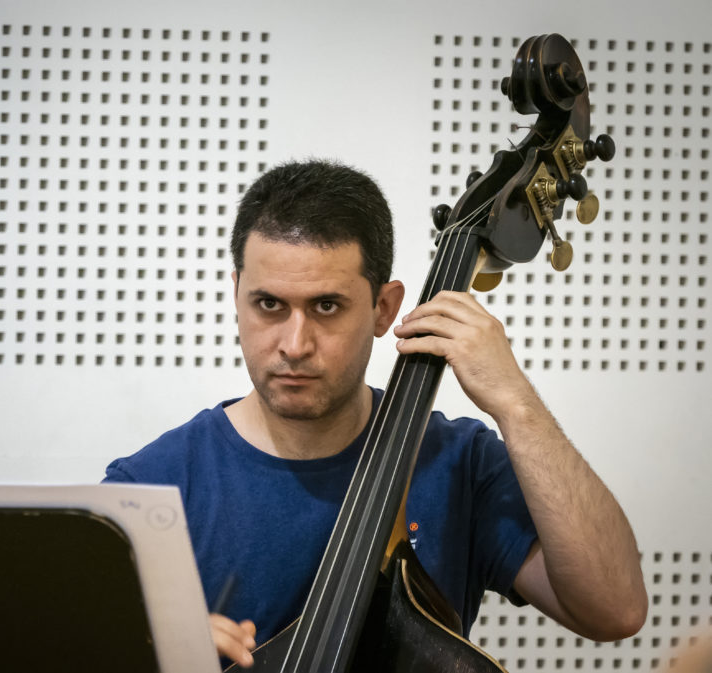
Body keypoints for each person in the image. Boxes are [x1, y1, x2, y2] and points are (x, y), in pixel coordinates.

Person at [103, 160, 647, 668]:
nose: (294, 344)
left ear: (384, 309)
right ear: (237, 295)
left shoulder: (461, 465)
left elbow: (615, 609)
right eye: (269, 304)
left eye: (326, 306)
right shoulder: (150, 489)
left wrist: (517, 404)